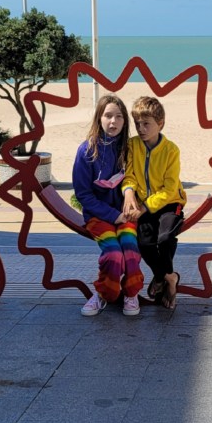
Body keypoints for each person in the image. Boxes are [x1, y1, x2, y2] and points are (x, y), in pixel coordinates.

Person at [74, 94, 145, 317]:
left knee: (130, 249)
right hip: (98, 216)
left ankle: (131, 293)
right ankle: (104, 294)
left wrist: (132, 209)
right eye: (108, 116)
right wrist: (113, 216)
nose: (113, 121)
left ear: (125, 121)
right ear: (99, 118)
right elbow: (83, 194)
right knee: (113, 253)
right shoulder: (86, 151)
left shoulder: (129, 149)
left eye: (119, 117)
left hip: (127, 216)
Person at [122, 96, 187, 309]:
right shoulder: (132, 145)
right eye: (137, 124)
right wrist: (129, 192)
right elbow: (129, 175)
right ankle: (169, 278)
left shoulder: (171, 150)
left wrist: (144, 207)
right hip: (144, 205)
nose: (141, 129)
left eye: (146, 124)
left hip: (170, 203)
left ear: (160, 123)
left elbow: (169, 189)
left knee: (166, 238)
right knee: (144, 244)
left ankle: (159, 278)